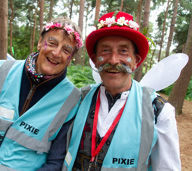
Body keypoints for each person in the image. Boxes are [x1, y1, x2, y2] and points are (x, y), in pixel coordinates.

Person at [0, 16, 83, 171]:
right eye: (52, 43)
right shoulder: (4, 70)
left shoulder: (71, 100)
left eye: (66, 50)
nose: (56, 53)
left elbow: (55, 162)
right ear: (40, 42)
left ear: (70, 59)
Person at [62, 11, 181, 171]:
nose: (113, 60)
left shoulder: (158, 111)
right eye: (105, 51)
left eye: (123, 51)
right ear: (95, 60)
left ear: (136, 61)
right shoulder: (79, 99)